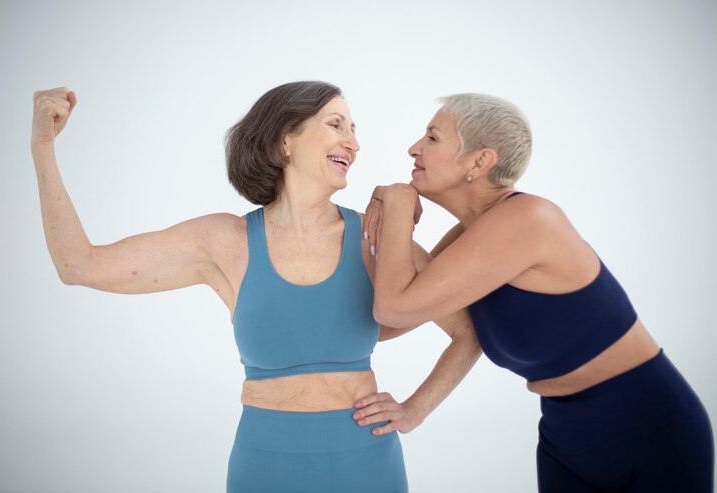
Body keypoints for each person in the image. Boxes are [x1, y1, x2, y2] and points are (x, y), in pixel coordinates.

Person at [30, 82, 479, 493]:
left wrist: (415, 411)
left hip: (368, 463)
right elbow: (79, 265)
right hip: (267, 467)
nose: (353, 142)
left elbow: (467, 332)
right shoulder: (224, 241)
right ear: (285, 140)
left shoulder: (374, 236)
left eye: (354, 130)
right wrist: (42, 148)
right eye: (335, 124)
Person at [358, 93, 714, 492]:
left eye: (433, 137)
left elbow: (394, 308)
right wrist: (412, 412)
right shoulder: (471, 237)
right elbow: (393, 322)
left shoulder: (529, 220)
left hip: (650, 429)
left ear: (479, 161)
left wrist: (401, 202)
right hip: (565, 439)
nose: (414, 148)